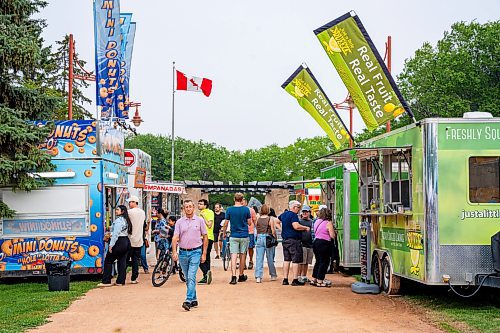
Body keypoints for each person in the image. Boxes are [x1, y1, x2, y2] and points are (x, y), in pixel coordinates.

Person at [172, 200, 208, 311]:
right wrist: (174, 251)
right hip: (183, 252)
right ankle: (194, 299)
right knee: (188, 278)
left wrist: (204, 253)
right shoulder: (179, 222)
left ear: (194, 208)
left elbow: (205, 237)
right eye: (186, 207)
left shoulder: (200, 220)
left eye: (190, 207)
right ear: (184, 209)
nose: (188, 208)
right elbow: (175, 238)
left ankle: (188, 300)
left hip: (196, 252)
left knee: (191, 276)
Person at [98, 205, 132, 287]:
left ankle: (106, 281)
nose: (116, 211)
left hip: (119, 242)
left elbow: (116, 234)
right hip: (126, 241)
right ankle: (120, 281)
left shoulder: (119, 221)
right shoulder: (126, 220)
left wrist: (111, 245)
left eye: (117, 210)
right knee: (122, 261)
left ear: (122, 211)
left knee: (108, 260)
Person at [222, 192, 251, 284]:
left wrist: (223, 233)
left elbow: (226, 223)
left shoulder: (229, 210)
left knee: (233, 256)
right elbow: (249, 223)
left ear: (234, 199)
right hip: (244, 235)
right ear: (242, 200)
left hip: (233, 235)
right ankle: (241, 275)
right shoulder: (246, 209)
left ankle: (233, 276)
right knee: (242, 255)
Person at [279, 200, 310, 286]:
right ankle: (295, 279)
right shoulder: (293, 215)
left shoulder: (284, 214)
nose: (299, 209)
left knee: (286, 259)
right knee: (295, 260)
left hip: (285, 240)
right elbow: (296, 226)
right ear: (293, 207)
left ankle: (285, 279)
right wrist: (305, 228)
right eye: (298, 207)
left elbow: (276, 221)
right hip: (294, 240)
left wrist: (281, 229)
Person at [311, 208, 336, 287]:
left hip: (316, 242)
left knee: (318, 261)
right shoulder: (328, 223)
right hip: (324, 243)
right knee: (324, 262)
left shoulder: (317, 221)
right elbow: (332, 236)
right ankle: (320, 280)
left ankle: (314, 279)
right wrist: (335, 233)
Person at [254, 204, 277, 283]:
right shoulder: (270, 219)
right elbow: (273, 231)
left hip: (259, 237)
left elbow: (256, 228)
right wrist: (275, 238)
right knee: (270, 257)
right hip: (268, 238)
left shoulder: (258, 219)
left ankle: (258, 276)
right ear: (268, 211)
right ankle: (273, 274)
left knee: (259, 258)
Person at [127, 195, 146, 284]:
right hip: (139, 240)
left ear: (134, 202)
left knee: (125, 260)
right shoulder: (142, 212)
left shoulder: (129, 212)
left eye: (130, 202)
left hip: (129, 240)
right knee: (135, 260)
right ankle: (134, 278)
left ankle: (121, 277)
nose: (129, 203)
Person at [197, 199, 214, 285]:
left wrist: (203, 217)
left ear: (205, 205)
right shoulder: (200, 214)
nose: (199, 205)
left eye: (201, 204)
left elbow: (209, 225)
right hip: (200, 237)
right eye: (198, 204)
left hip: (208, 237)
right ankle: (206, 275)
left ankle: (206, 273)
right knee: (205, 256)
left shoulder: (209, 212)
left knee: (201, 256)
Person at [298, 205, 314, 283]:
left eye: (306, 212)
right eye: (303, 212)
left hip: (310, 244)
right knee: (301, 261)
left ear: (309, 213)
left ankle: (304, 276)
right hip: (302, 244)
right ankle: (298, 276)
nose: (304, 213)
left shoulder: (312, 222)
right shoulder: (299, 221)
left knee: (307, 261)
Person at [242, 198, 256, 270]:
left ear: (246, 203)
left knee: (250, 247)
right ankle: (243, 262)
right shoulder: (239, 210)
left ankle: (250, 260)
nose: (242, 203)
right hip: (242, 231)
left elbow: (255, 220)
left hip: (250, 231)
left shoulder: (251, 210)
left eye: (243, 202)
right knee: (242, 248)